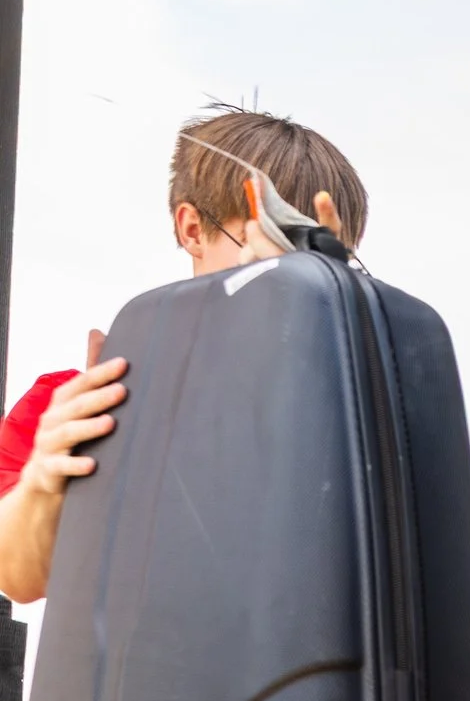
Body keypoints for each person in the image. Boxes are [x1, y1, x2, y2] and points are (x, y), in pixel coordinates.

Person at [0, 107, 363, 605]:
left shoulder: (359, 405)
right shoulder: (75, 405)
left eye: (324, 254)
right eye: (277, 240)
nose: (297, 273)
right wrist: (44, 482)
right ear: (193, 229)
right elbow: (17, 577)